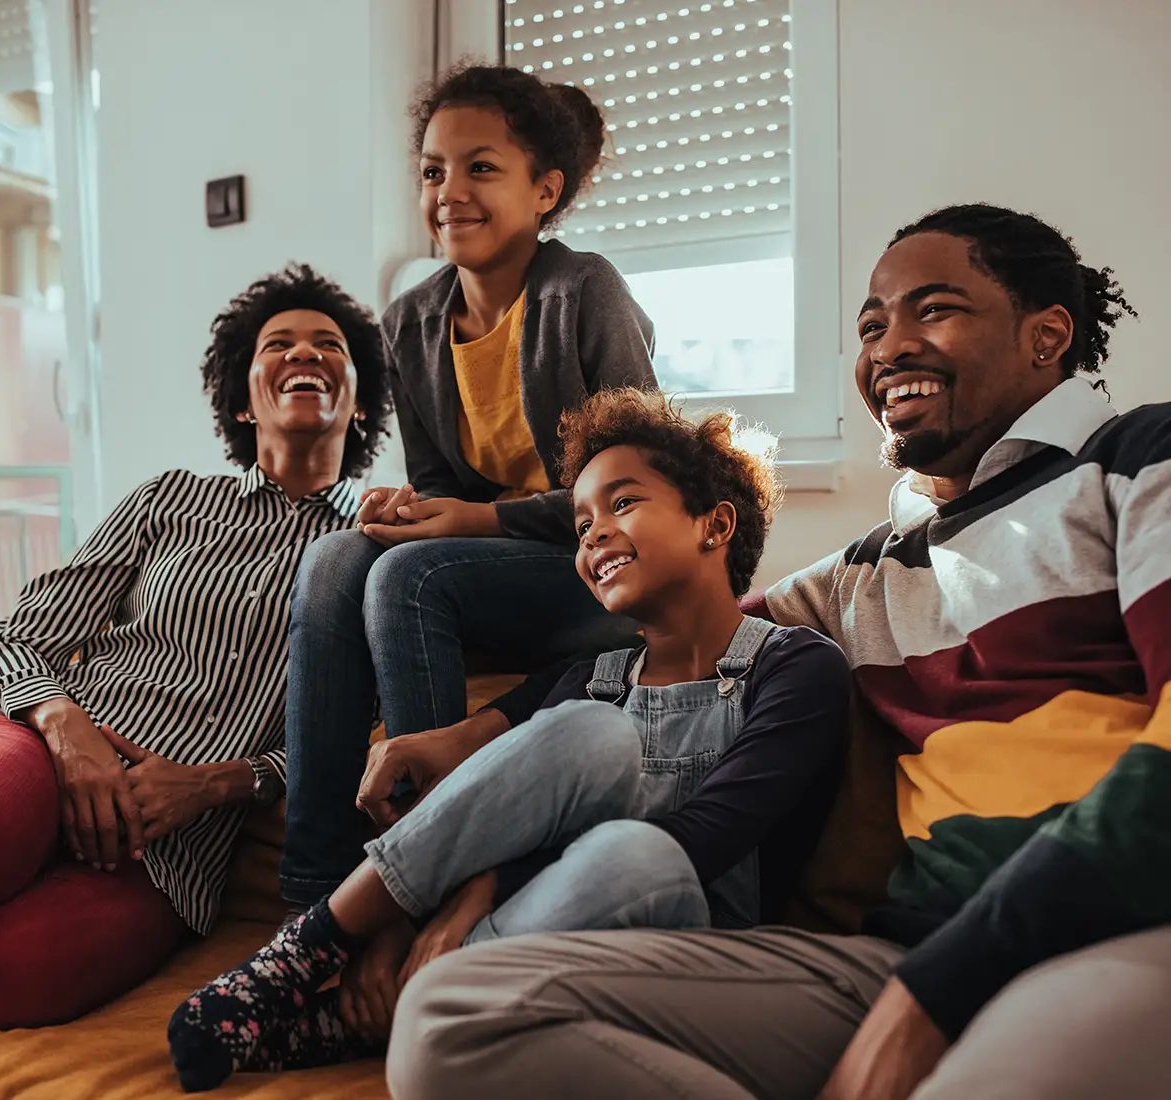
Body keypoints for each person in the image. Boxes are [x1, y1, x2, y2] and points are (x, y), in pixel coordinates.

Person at [385, 203, 1171, 1100]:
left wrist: (934, 995)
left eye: (935, 309)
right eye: (872, 326)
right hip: (894, 962)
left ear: (1047, 336)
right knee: (452, 1016)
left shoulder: (1140, 459)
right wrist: (472, 742)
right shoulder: (867, 570)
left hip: (1109, 929)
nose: (888, 347)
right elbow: (676, 637)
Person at [165, 388, 852, 1091]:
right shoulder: (590, 681)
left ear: (715, 525)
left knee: (637, 851)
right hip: (546, 940)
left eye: (622, 503)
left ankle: (378, 1006)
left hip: (690, 957)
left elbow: (706, 837)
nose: (594, 536)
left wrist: (483, 893)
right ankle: (309, 951)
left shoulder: (797, 668)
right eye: (581, 524)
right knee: (592, 731)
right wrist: (441, 899)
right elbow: (499, 802)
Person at [0, 264, 392, 1031]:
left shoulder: (379, 548)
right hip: (45, 752)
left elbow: (354, 740)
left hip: (170, 847)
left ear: (360, 404)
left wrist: (215, 785)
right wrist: (65, 731)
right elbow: (16, 641)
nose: (304, 354)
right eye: (277, 344)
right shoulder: (172, 499)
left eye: (329, 345)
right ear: (244, 403)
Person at [280, 64, 658, 911]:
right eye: (432, 170)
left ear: (544, 189)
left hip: (603, 574)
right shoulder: (409, 321)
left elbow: (640, 494)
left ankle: (426, 873)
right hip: (500, 575)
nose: (450, 190)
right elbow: (440, 485)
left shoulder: (584, 291)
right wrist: (407, 508)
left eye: (481, 167)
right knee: (339, 558)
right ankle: (311, 891)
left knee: (410, 576)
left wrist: (478, 517)